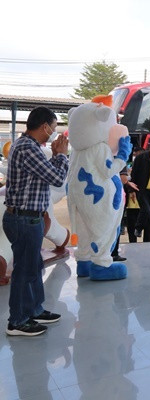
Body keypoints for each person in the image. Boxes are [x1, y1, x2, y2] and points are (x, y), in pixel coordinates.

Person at [3, 106, 69, 336]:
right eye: (54, 127)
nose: (54, 133)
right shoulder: (27, 148)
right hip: (23, 219)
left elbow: (47, 176)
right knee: (24, 270)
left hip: (30, 218)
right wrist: (61, 155)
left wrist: (56, 156)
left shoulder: (30, 147)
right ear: (44, 127)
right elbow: (57, 178)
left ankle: (34, 310)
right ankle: (17, 321)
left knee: (34, 266)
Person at [124, 147, 143, 243]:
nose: (136, 156)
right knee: (131, 222)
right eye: (135, 154)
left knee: (141, 221)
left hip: (141, 198)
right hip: (131, 199)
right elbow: (126, 178)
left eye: (137, 154)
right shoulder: (130, 164)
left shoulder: (144, 165)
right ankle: (132, 241)